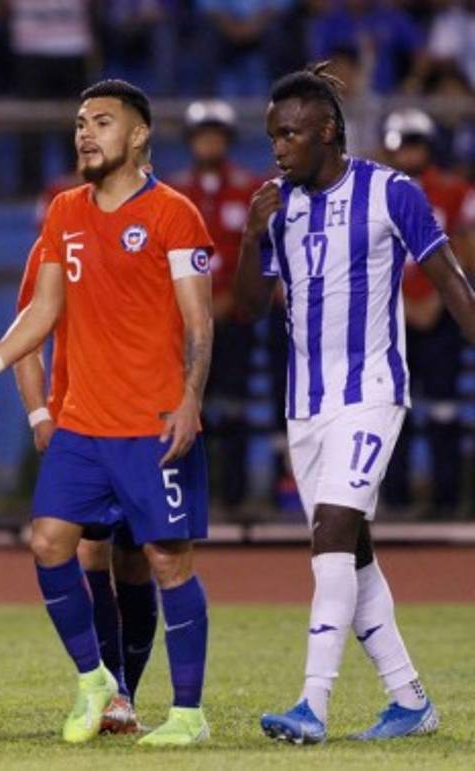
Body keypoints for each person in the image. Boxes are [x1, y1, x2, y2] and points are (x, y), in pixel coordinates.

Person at [0, 79, 215, 746]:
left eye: (102, 121)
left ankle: (188, 713)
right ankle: (95, 679)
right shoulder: (63, 211)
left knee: (166, 562)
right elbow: (44, 308)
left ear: (140, 134)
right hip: (83, 424)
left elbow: (199, 320)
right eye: (80, 122)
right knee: (49, 541)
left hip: (151, 423)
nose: (86, 133)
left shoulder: (176, 214)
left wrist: (188, 400)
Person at [233, 65, 475, 744]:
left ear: (328, 131)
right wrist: (250, 237)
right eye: (273, 135)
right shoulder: (277, 205)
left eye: (290, 134)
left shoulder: (390, 191)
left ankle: (312, 702)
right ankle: (409, 698)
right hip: (304, 406)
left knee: (332, 532)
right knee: (354, 552)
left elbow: (450, 281)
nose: (278, 148)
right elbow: (249, 308)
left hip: (370, 394)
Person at [11, 180, 158, 736]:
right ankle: (111, 687)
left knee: (138, 559)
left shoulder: (156, 234)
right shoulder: (56, 245)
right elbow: (27, 330)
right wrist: (38, 415)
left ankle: (127, 693)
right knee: (88, 552)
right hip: (82, 425)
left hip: (144, 423)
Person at [380, 108, 475, 519]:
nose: (408, 152)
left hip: (439, 314)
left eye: (415, 143)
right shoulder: (378, 191)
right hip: (391, 315)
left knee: (443, 408)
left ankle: (446, 499)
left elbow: (466, 247)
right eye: (401, 144)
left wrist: (438, 299)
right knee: (393, 411)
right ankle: (396, 500)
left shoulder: (454, 191)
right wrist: (402, 301)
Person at [170, 99, 263, 513]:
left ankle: (235, 496)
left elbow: (262, 252)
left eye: (216, 134)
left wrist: (228, 300)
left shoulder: (249, 190)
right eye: (202, 134)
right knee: (187, 406)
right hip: (183, 323)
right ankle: (187, 497)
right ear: (191, 140)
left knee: (235, 406)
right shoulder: (171, 194)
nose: (209, 142)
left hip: (233, 315)